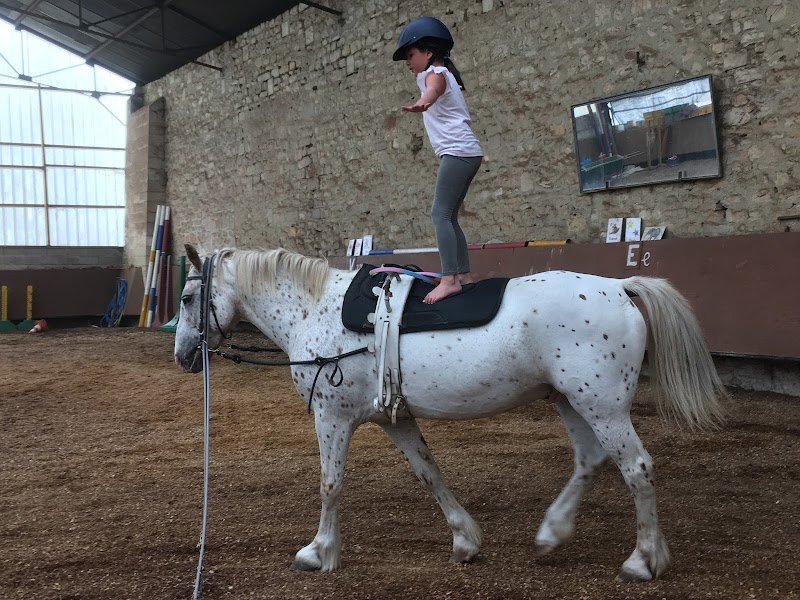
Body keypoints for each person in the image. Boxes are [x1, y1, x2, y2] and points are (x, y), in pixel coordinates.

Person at [394, 17, 483, 304]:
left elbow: (433, 87)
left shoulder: (434, 73)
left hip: (459, 151)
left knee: (439, 214)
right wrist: (427, 100)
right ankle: (463, 276)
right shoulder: (445, 73)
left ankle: (449, 280)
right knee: (449, 215)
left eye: (411, 55)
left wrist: (425, 102)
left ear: (428, 52)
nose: (408, 62)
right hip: (466, 152)